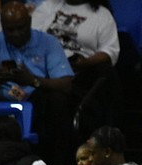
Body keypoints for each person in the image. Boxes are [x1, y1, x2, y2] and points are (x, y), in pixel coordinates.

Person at [0, 1, 74, 165]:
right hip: (2, 100)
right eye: (10, 30)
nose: (16, 33)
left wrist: (33, 80)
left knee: (57, 101)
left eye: (21, 28)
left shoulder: (47, 42)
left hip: (39, 99)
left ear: (29, 22)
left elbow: (66, 83)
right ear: (2, 27)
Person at [31, 0, 122, 139]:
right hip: (46, 70)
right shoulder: (48, 7)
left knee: (107, 73)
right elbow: (31, 39)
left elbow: (110, 52)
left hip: (81, 74)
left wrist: (85, 62)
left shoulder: (102, 15)